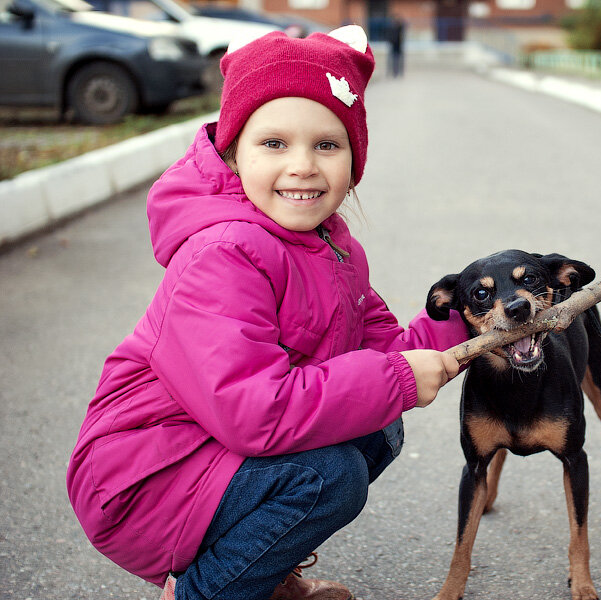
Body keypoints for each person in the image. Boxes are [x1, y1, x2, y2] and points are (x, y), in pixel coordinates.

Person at [66, 25, 466, 600]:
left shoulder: (333, 246)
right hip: (143, 478)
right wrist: (399, 379)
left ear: (354, 159)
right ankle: (202, 591)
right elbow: (252, 412)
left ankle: (259, 576)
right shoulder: (222, 253)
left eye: (326, 145)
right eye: (274, 144)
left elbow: (379, 352)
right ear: (233, 151)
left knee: (378, 423)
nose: (303, 166)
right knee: (331, 477)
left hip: (204, 452)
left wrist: (466, 320)